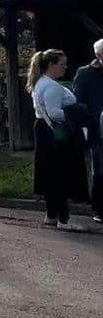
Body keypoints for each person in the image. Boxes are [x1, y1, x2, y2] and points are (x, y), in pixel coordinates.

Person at [29, 48, 89, 232]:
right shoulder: (52, 86)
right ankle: (63, 218)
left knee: (51, 173)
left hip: (44, 129)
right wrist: (77, 112)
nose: (65, 67)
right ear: (51, 65)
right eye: (62, 64)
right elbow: (55, 112)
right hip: (56, 133)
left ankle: (51, 215)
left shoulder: (40, 83)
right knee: (60, 174)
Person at [71, 38, 103, 226]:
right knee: (100, 169)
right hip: (98, 129)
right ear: (99, 55)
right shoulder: (85, 74)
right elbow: (79, 104)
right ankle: (100, 209)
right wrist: (85, 129)